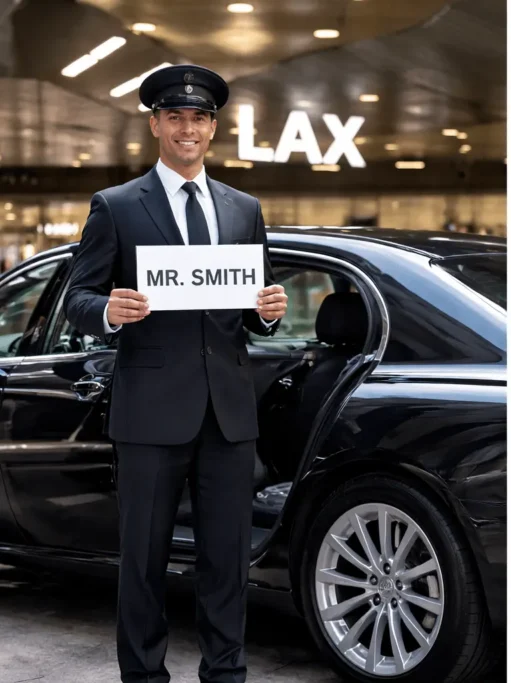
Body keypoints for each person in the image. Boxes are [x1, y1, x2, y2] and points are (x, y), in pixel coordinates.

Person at [62, 64, 289, 683]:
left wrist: (268, 313)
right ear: (156, 124)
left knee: (225, 563)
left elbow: (252, 310)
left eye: (199, 118)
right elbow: (75, 298)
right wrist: (107, 310)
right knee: (143, 562)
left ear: (212, 129)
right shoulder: (115, 206)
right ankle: (143, 676)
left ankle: (226, 675)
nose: (187, 128)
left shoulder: (244, 209)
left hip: (228, 413)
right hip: (150, 413)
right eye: (175, 117)